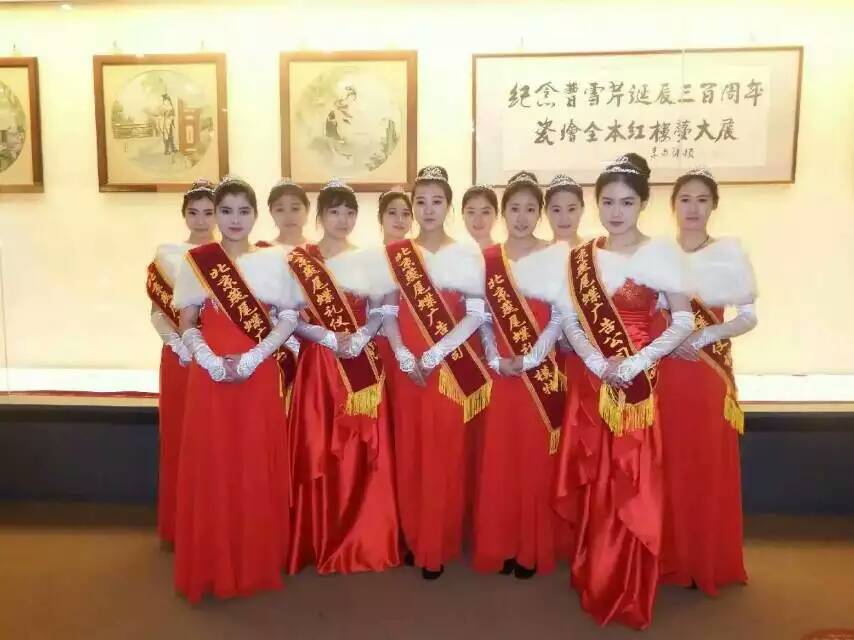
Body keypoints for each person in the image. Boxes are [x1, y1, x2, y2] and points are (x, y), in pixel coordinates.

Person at [551, 154, 694, 629]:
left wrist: (635, 362)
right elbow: (569, 318)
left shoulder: (660, 254)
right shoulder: (582, 256)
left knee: (631, 478)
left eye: (627, 202)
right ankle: (595, 570)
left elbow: (683, 321)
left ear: (643, 204)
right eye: (608, 202)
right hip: (593, 383)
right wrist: (596, 362)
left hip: (637, 384)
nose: (616, 212)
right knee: (598, 477)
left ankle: (629, 581)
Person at [172, 176, 298, 602]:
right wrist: (207, 358)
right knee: (214, 463)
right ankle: (214, 562)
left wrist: (254, 357)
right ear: (216, 215)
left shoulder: (273, 261)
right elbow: (187, 319)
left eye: (244, 211)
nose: (235, 219)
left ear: (256, 215)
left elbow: (288, 318)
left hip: (256, 373)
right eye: (226, 211)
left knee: (251, 461)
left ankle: (252, 560)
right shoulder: (199, 261)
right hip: (209, 376)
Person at [373, 165, 491, 579]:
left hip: (448, 369)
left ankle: (437, 543)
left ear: (448, 206)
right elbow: (387, 310)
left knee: (444, 454)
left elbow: (475, 314)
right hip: (409, 368)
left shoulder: (466, 253)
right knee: (410, 452)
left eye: (436, 201)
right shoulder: (397, 253)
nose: (427, 209)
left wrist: (436, 353)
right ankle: (413, 536)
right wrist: (403, 354)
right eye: (420, 202)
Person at [286, 178, 400, 575]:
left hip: (360, 363)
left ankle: (363, 538)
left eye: (350, 212)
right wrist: (328, 336)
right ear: (320, 216)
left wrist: (362, 336)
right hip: (319, 366)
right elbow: (287, 315)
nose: (343, 219)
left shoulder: (369, 258)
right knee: (318, 448)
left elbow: (382, 310)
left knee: (359, 454)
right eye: (335, 211)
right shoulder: (300, 259)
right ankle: (317, 537)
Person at [658, 168, 757, 595]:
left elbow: (748, 318)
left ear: (713, 205)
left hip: (707, 373)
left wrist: (702, 336)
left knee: (704, 465)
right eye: (685, 199)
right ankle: (670, 559)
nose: (693, 208)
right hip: (666, 371)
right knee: (667, 464)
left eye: (702, 199)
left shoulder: (728, 254)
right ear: (673, 206)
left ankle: (706, 561)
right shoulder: (657, 254)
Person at [472, 171, 570, 578]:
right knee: (502, 459)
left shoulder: (555, 255)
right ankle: (503, 544)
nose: (522, 216)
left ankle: (530, 548)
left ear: (540, 213)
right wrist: (496, 358)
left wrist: (531, 358)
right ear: (503, 212)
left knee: (534, 460)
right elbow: (481, 318)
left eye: (531, 209)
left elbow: (561, 317)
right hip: (501, 373)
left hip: (540, 371)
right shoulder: (488, 258)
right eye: (514, 208)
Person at [146, 178, 216, 547]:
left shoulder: (231, 257)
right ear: (184, 215)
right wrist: (179, 343)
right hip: (180, 358)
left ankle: (214, 523)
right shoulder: (167, 257)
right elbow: (158, 313)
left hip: (220, 357)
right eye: (194, 212)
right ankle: (179, 526)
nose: (201, 220)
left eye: (209, 212)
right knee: (180, 438)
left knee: (215, 443)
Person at [462, 184, 498, 249]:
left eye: (485, 212)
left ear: (496, 214)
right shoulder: (451, 252)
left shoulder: (506, 253)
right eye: (471, 212)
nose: (478, 219)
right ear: (463, 215)